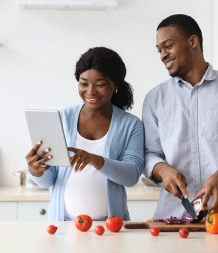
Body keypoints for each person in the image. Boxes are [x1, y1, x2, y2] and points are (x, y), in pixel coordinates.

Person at [142, 14, 218, 219]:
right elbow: (148, 153)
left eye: (168, 46)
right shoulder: (155, 98)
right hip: (172, 218)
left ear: (192, 41)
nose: (162, 54)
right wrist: (162, 170)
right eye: (159, 50)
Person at [26, 47, 144, 221]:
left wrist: (95, 160)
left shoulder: (131, 125)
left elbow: (131, 175)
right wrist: (35, 171)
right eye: (84, 83)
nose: (90, 92)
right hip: (63, 225)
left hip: (112, 228)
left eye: (100, 84)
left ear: (115, 85)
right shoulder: (61, 119)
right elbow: (48, 181)